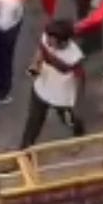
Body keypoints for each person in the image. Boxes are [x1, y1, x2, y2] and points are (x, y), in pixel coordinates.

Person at [20, 17, 83, 148]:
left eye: (51, 39)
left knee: (68, 120)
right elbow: (40, 52)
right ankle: (25, 150)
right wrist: (34, 66)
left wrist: (78, 100)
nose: (47, 40)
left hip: (62, 98)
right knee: (33, 122)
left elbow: (78, 77)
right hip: (41, 89)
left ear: (62, 41)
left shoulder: (75, 56)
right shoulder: (46, 38)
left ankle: (78, 134)